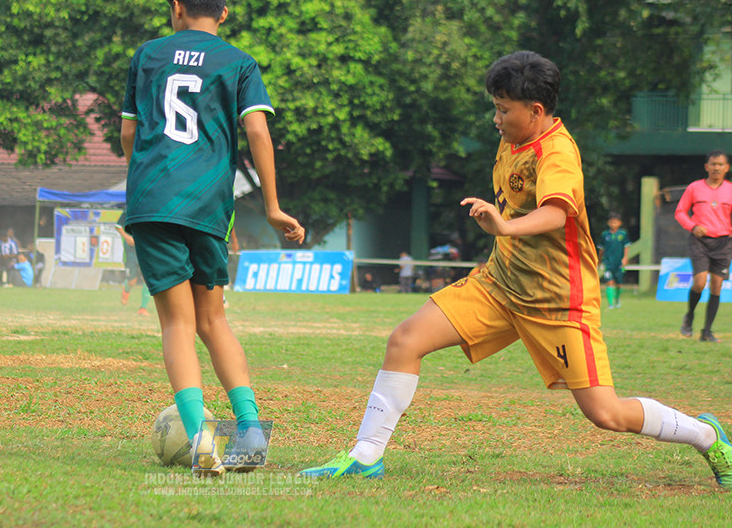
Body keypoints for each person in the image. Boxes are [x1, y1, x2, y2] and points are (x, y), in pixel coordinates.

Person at [299, 51, 731, 490]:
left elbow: (556, 214)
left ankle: (708, 435)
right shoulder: (512, 138)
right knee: (405, 340)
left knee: (606, 414)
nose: (496, 118)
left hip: (557, 301)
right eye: (496, 107)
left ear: (536, 111)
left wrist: (504, 226)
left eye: (504, 109)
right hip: (499, 285)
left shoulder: (558, 151)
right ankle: (366, 454)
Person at [120, 0, 305, 477]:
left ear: (175, 8)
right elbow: (259, 134)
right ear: (223, 11)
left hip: (156, 201)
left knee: (177, 322)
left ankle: (201, 441)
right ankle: (250, 432)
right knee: (212, 319)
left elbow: (130, 138)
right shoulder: (240, 62)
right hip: (208, 206)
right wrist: (270, 206)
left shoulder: (147, 56)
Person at [675, 150, 732, 343]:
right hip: (700, 240)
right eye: (713, 164)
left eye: (720, 164)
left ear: (727, 168)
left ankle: (707, 332)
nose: (717, 168)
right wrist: (692, 226)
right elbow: (680, 212)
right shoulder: (694, 188)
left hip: (723, 242)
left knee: (717, 285)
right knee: (699, 282)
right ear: (706, 166)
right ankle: (690, 315)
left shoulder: (730, 190)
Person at [117, 221, 152, 316]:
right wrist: (127, 237)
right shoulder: (128, 210)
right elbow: (118, 226)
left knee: (147, 280)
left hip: (145, 251)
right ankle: (126, 289)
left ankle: (143, 308)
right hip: (131, 254)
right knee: (132, 281)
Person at [597, 212, 630, 309]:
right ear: (608, 223)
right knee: (609, 282)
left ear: (620, 223)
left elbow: (626, 247)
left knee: (619, 283)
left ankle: (617, 299)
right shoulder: (605, 234)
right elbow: (601, 248)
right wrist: (599, 260)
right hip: (608, 262)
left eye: (615, 222)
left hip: (619, 262)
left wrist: (625, 258)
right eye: (611, 222)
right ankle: (610, 304)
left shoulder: (623, 234)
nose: (613, 224)